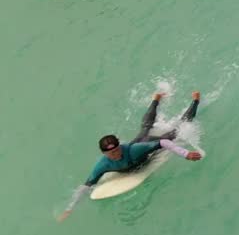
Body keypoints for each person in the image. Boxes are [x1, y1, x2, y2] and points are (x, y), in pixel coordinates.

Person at [58, 92, 202, 222]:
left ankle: (195, 100)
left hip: (145, 145)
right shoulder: (102, 165)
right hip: (140, 141)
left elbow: (163, 143)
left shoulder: (134, 150)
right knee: (145, 127)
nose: (115, 154)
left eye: (116, 150)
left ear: (119, 146)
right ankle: (156, 98)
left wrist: (185, 153)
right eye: (110, 153)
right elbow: (86, 185)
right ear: (104, 154)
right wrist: (70, 208)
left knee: (176, 131)